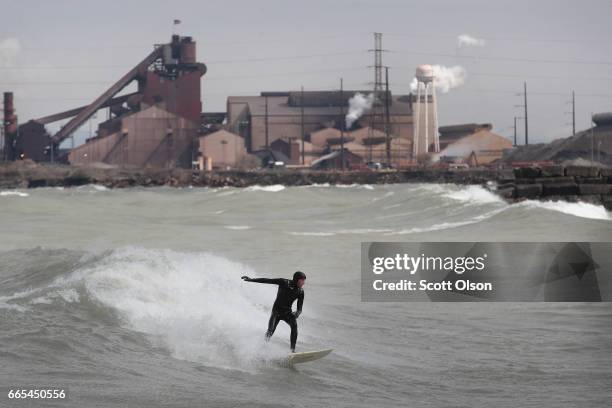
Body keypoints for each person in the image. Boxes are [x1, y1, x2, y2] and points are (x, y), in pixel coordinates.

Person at [241, 271, 306, 352]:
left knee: (294, 326)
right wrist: (251, 279)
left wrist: (297, 313)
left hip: (287, 313)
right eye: (302, 280)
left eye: (304, 280)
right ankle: (262, 348)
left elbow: (300, 308)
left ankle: (292, 350)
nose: (303, 283)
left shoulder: (300, 292)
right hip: (276, 312)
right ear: (296, 279)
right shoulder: (284, 282)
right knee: (270, 330)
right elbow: (267, 280)